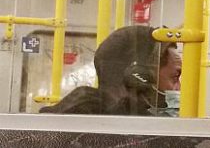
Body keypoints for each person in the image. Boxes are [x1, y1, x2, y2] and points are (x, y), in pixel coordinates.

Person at [41, 25, 181, 116]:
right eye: (175, 77)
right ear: (138, 77)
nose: (180, 88)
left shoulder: (122, 117)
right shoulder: (84, 116)